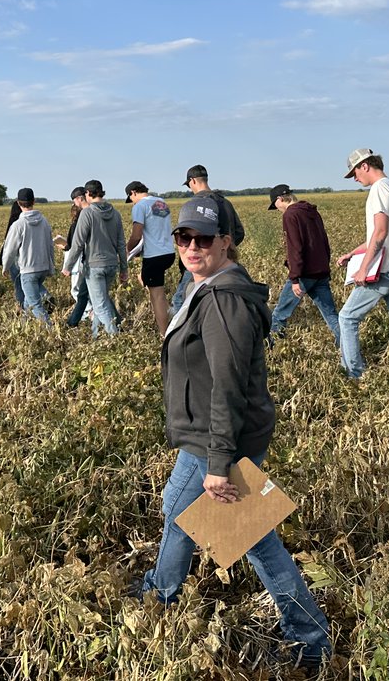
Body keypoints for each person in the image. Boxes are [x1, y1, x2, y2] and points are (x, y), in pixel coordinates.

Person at [134, 198, 331, 672]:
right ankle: (160, 590)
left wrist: (219, 463)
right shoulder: (209, 288)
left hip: (216, 438)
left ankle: (310, 638)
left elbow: (228, 386)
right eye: (185, 238)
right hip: (215, 435)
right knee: (179, 511)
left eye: (205, 239)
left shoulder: (222, 300)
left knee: (252, 536)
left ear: (226, 242)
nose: (193, 247)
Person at [335, 149, 389, 382]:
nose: (355, 178)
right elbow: (383, 233)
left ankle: (353, 375)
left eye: (354, 172)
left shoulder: (379, 188)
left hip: (386, 270)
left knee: (347, 318)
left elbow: (381, 231)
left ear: (365, 165)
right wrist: (351, 254)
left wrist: (363, 268)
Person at [268, 184, 339, 345]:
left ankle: (273, 349)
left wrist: (294, 278)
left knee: (280, 314)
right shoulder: (312, 212)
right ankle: (349, 350)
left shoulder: (290, 215)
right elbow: (324, 241)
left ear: (280, 199)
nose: (277, 208)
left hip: (303, 274)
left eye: (275, 204)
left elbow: (295, 247)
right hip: (320, 272)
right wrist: (325, 267)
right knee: (331, 316)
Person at [172, 164, 246, 312]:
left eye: (189, 185)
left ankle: (180, 333)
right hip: (226, 261)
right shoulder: (225, 202)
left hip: (201, 261)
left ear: (192, 181)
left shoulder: (194, 204)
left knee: (180, 300)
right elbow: (239, 232)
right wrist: (223, 251)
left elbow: (190, 238)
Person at [64, 179, 127, 337]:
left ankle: (116, 338)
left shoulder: (87, 213)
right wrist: (124, 268)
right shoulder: (115, 213)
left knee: (99, 306)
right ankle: (95, 336)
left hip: (94, 266)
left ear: (88, 194)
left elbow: (78, 243)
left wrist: (68, 266)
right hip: (112, 264)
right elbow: (121, 243)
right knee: (102, 300)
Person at [126, 181, 175, 334]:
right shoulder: (161, 203)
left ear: (133, 192)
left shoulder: (140, 207)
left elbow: (136, 235)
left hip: (154, 256)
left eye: (130, 198)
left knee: (157, 296)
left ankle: (164, 333)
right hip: (168, 252)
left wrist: (127, 251)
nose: (132, 202)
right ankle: (170, 313)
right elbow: (157, 230)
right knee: (144, 278)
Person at [1, 187, 55, 325]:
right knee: (27, 300)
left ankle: (51, 331)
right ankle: (23, 325)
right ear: (34, 201)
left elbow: (10, 249)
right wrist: (51, 266)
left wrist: (5, 267)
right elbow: (50, 245)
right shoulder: (44, 222)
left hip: (28, 270)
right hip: (42, 268)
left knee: (35, 304)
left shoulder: (18, 225)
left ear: (18, 203)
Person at [61, 187, 91, 325]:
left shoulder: (81, 219)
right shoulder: (94, 213)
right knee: (88, 290)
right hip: (92, 258)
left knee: (77, 290)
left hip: (80, 258)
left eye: (74, 200)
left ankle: (89, 314)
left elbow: (76, 244)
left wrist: (68, 265)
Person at [1, 200, 27, 310]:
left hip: (16, 258)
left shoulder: (14, 223)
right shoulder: (33, 221)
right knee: (28, 283)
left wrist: (5, 265)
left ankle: (22, 306)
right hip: (29, 258)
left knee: (19, 285)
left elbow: (9, 245)